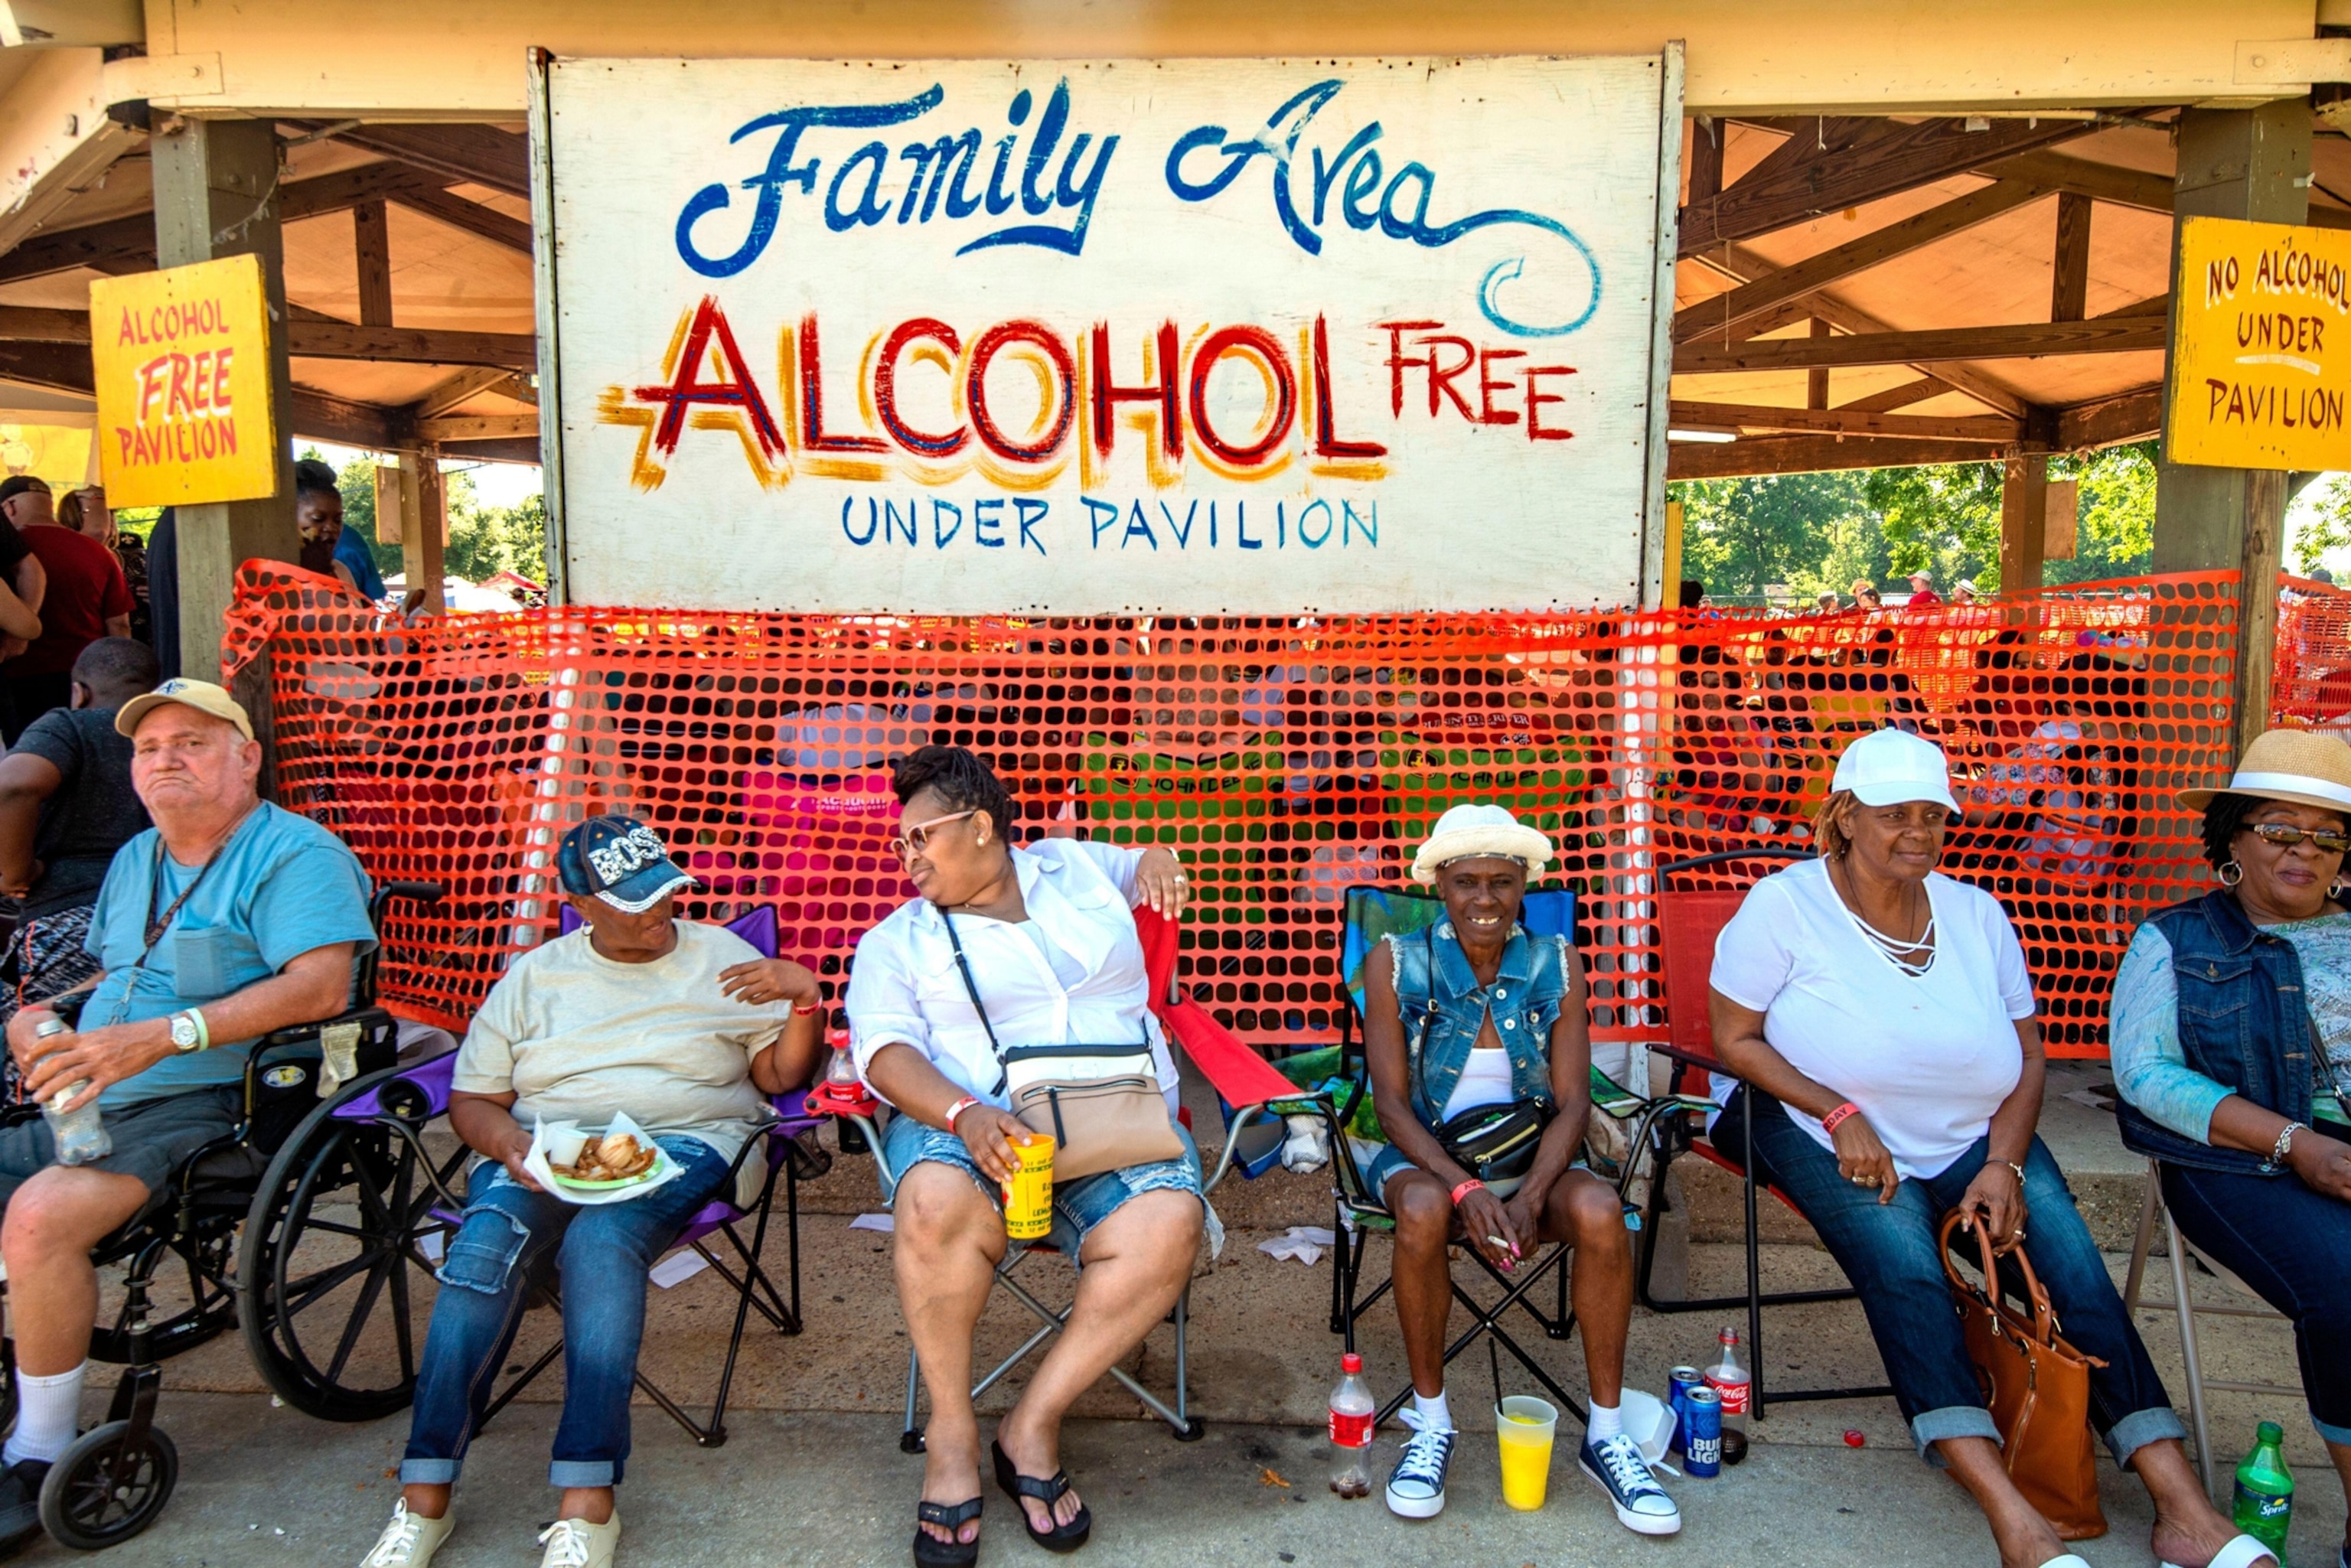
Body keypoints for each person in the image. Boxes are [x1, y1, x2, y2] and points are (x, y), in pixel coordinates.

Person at [1707, 725, 2270, 1568]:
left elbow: (2030, 1054)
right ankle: (2014, 1516)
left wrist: (2004, 1161)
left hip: (1976, 1134)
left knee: (2077, 1272)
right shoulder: (1785, 905)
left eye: (1934, 815)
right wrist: (1837, 1112)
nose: (1920, 833)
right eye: (1896, 814)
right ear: (1846, 816)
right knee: (1905, 1269)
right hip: (1811, 1123)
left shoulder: (1976, 912)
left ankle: (2180, 1504)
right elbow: (1736, 1039)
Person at [356, 814, 823, 1568]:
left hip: (688, 1139)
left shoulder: (724, 957)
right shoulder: (536, 976)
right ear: (580, 903)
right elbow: (475, 1099)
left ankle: (588, 1499)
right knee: (481, 1251)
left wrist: (804, 1002)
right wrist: (509, 1145)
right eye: (634, 901)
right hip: (549, 1143)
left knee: (601, 1242)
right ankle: (424, 1495)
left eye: (666, 890)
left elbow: (778, 1080)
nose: (659, 910)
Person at [0, 678, 376, 1550]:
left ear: (247, 758)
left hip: (218, 1096)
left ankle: (39, 1447)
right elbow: (111, 972)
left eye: (193, 742)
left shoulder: (296, 855)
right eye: (149, 747)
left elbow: (319, 988)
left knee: (41, 1220)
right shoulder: (139, 858)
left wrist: (160, 1038)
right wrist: (37, 1018)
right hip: (94, 1086)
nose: (166, 758)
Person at [847, 745, 1202, 1566]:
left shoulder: (1068, 867)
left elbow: (1135, 859)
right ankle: (952, 1433)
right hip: (970, 1127)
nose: (907, 857)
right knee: (932, 1201)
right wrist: (965, 1113)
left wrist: (1156, 859)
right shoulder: (898, 941)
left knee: (1169, 1223)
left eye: (920, 837)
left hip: (1115, 1119)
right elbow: (883, 1053)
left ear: (981, 829)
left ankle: (1031, 1424)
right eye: (900, 843)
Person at [1356, 804, 1677, 1533]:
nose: (1485, 900)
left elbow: (1571, 1101)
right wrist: (1465, 1187)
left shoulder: (1556, 961)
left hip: (1530, 1156)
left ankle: (1605, 1433)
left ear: (1525, 885)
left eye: (1503, 882)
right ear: (1440, 883)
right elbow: (1392, 1107)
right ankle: (1431, 1421)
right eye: (1467, 881)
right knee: (1425, 1210)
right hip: (1423, 1158)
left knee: (1598, 1211)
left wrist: (1533, 1194)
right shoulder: (1396, 961)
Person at [2113, 728, 2351, 1568]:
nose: (2305, 850)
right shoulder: (2177, 941)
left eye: (2327, 835)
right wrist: (2297, 1145)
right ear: (2233, 839)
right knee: (2348, 1287)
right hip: (2243, 1160)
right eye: (2281, 828)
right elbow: (2144, 1075)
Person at [0, 639, 160, 1063]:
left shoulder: (71, 727)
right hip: (160, 927)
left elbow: (12, 785)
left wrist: (15, 872)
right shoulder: (169, 741)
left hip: (70, 925)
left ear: (80, 691)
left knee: (44, 1069)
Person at [0, 476, 129, 743]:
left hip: (21, 680)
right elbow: (119, 625)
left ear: (9, 508)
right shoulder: (97, 552)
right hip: (86, 678)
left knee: (29, 762)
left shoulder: (10, 554)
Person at [60, 487, 149, 648]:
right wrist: (98, 496)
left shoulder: (134, 557)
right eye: (92, 509)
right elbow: (97, 532)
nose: (106, 517)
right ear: (72, 516)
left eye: (109, 510)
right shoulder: (71, 558)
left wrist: (158, 596)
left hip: (147, 645)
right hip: (99, 652)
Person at [293, 460, 365, 597]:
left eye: (338, 520)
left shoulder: (341, 571)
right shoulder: (283, 575)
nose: (331, 527)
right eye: (318, 519)